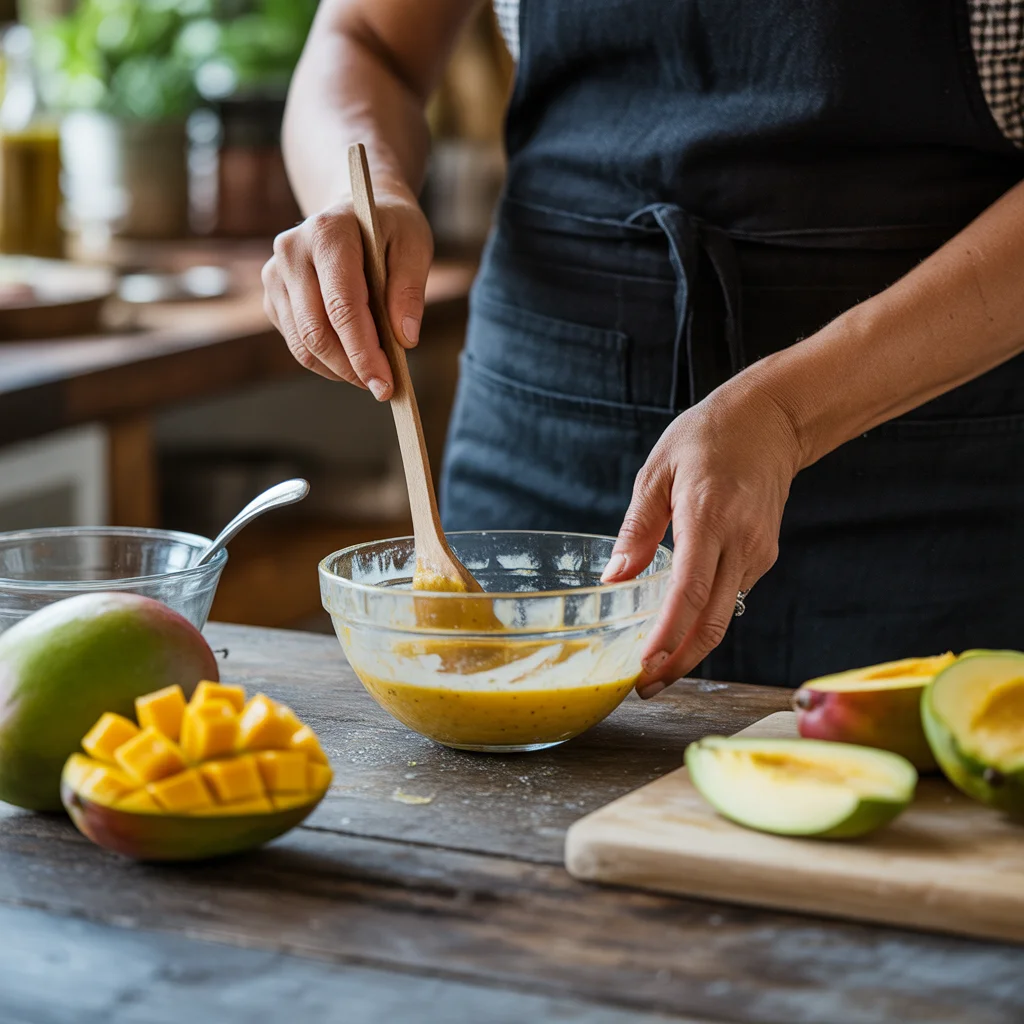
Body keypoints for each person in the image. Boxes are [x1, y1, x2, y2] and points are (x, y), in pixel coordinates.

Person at [263, 0, 1024, 694]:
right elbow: (363, 40)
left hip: (938, 438)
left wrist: (789, 412)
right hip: (549, 411)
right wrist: (357, 192)